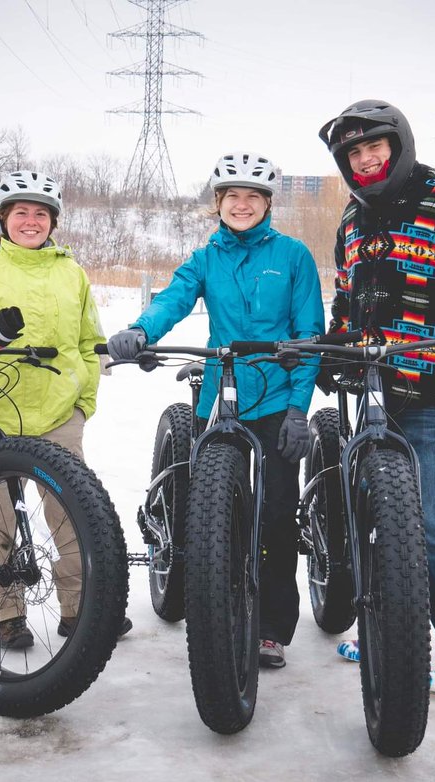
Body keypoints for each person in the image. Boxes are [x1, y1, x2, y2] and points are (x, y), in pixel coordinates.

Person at [317, 100, 435, 694]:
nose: (366, 160)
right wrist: (333, 346)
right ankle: (387, 625)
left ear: (398, 146)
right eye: (355, 153)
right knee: (376, 517)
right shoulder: (352, 222)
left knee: (427, 521)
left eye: (374, 148)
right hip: (368, 389)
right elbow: (346, 298)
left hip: (426, 388)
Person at [105, 152, 325, 669]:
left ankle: (272, 627)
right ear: (219, 205)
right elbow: (174, 298)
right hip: (219, 399)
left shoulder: (293, 256)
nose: (242, 205)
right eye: (232, 197)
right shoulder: (206, 258)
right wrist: (142, 330)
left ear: (267, 204)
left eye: (252, 197)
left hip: (275, 399)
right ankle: (212, 604)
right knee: (209, 514)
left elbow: (308, 335)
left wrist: (298, 409)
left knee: (274, 516)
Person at [0, 169, 130, 649]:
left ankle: (78, 609)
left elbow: (90, 340)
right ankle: (10, 614)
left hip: (59, 416)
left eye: (40, 213)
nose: (31, 221)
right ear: (4, 219)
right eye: (21, 213)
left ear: (53, 222)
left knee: (74, 518)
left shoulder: (71, 273)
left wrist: (83, 401)